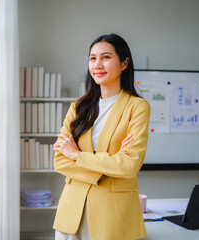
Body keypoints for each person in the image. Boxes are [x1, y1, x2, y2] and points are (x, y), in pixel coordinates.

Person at [53, 33, 150, 240]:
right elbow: (60, 161)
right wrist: (109, 165)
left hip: (113, 214)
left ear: (124, 63)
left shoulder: (137, 107)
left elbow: (129, 165)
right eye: (92, 58)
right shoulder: (78, 108)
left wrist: (78, 156)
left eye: (106, 57)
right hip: (72, 212)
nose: (98, 64)